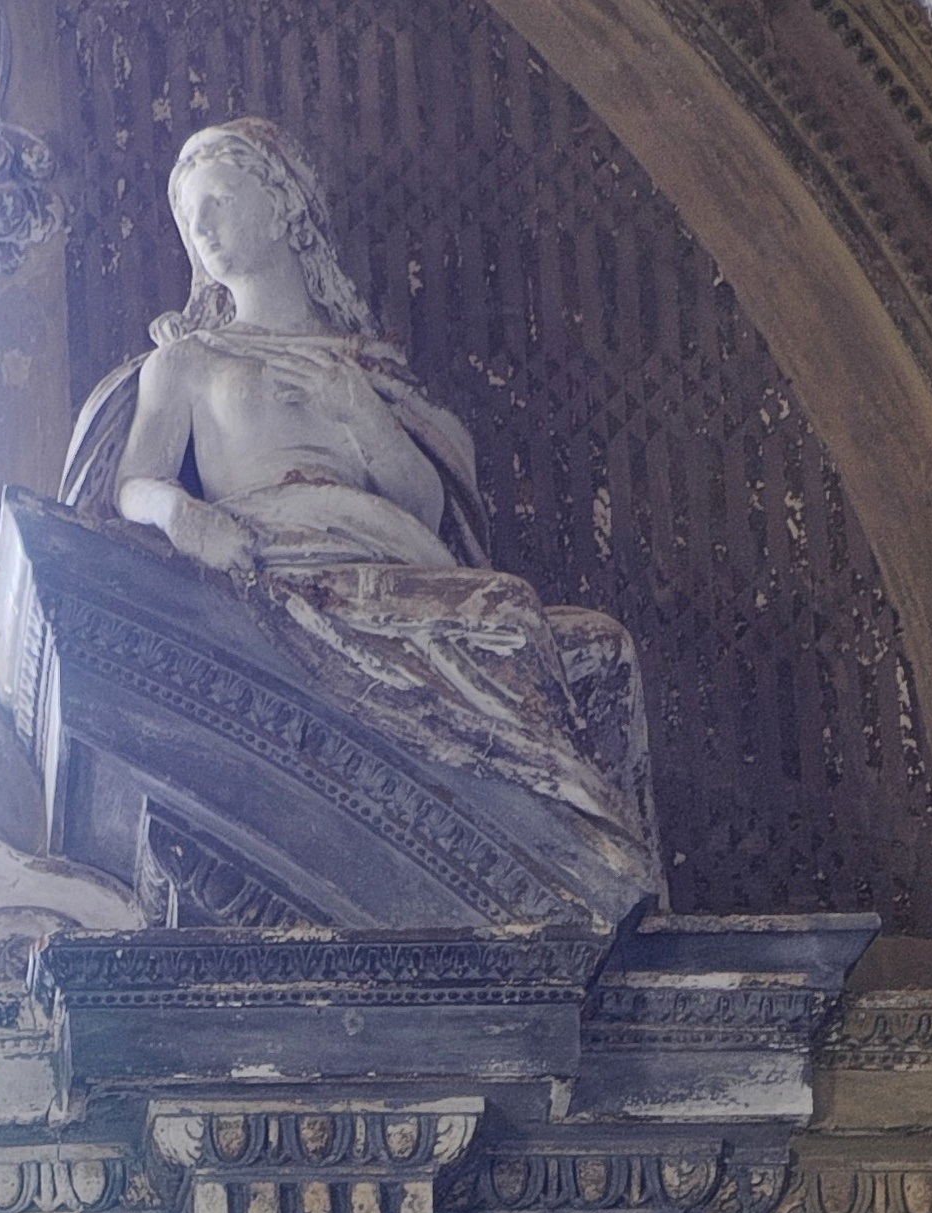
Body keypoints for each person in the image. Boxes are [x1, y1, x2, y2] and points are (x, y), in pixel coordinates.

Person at [61, 114, 651, 863]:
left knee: (598, 646)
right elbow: (131, 485)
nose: (199, 226)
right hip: (273, 568)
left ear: (282, 207)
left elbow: (427, 513)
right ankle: (566, 830)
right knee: (508, 614)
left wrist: (363, 416)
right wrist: (182, 516)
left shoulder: (367, 367)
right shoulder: (189, 362)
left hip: (388, 565)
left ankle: (588, 845)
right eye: (187, 216)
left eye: (217, 201)